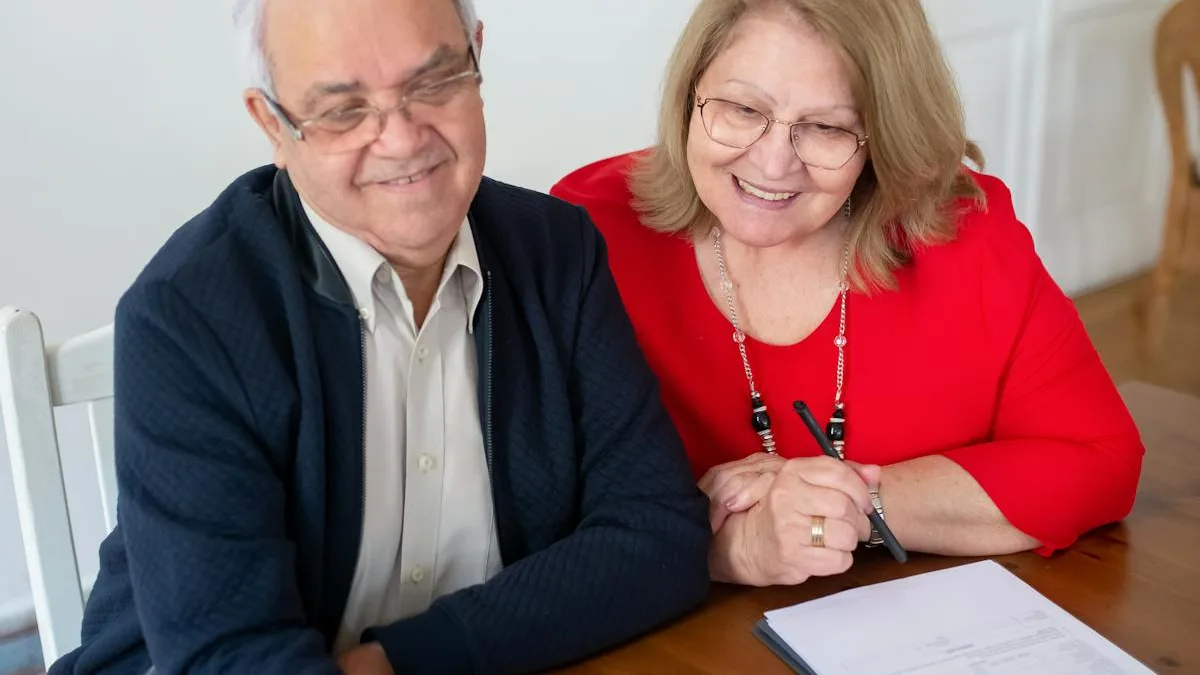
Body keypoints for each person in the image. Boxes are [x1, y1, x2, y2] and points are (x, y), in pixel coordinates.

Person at [47, 0, 711, 673]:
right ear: (272, 125)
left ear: (477, 59)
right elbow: (231, 658)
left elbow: (655, 534)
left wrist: (395, 661)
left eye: (434, 82)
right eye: (343, 110)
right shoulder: (187, 318)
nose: (401, 139)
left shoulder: (557, 251)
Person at [550, 0, 1144, 588]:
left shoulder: (966, 234)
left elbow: (1098, 462)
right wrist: (714, 548)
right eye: (740, 108)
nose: (773, 162)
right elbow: (538, 511)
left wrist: (841, 504)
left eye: (827, 127)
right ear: (688, 98)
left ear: (882, 134)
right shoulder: (587, 234)